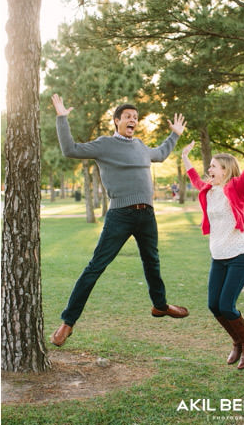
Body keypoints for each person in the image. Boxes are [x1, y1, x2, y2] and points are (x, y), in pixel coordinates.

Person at [49, 93, 190, 347]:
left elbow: (159, 154)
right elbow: (70, 150)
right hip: (120, 215)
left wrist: (175, 135)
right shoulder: (105, 145)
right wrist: (62, 119)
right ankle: (67, 323)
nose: (132, 120)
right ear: (116, 121)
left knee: (152, 262)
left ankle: (160, 306)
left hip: (146, 214)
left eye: (135, 118)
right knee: (95, 267)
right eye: (127, 117)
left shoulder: (140, 147)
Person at [181, 116, 244, 370]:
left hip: (239, 255)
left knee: (227, 305)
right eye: (210, 166)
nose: (210, 168)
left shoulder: (236, 188)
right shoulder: (208, 190)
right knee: (213, 305)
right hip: (219, 257)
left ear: (225, 170)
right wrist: (185, 157)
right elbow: (194, 177)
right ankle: (237, 342)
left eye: (214, 166)